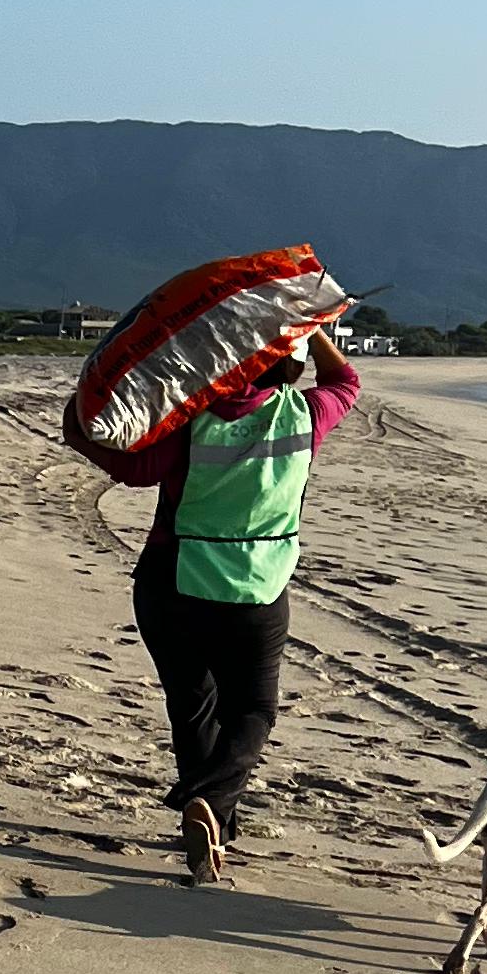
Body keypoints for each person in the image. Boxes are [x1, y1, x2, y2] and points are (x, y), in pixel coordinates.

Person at [69, 323, 360, 881]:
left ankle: (209, 825)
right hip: (256, 589)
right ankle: (208, 803)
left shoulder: (191, 416)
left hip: (170, 583)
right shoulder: (304, 417)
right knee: (252, 710)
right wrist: (314, 326)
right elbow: (345, 379)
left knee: (192, 704)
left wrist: (75, 423)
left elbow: (133, 469)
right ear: (287, 367)